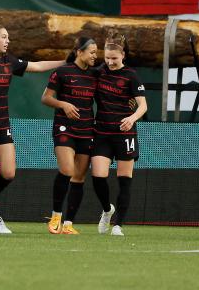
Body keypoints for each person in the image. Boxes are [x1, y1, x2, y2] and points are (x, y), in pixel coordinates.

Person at [0, 25, 64, 234]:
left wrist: (66, 61)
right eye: (4, 37)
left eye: (8, 37)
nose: (7, 40)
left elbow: (37, 67)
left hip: (2, 123)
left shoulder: (8, 61)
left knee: (9, 173)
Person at [41, 36, 97, 235]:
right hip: (64, 127)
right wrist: (63, 105)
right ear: (79, 52)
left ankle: (68, 224)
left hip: (87, 130)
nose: (94, 56)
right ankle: (56, 215)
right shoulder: (62, 72)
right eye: (91, 52)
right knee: (67, 169)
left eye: (96, 52)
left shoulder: (95, 75)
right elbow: (45, 98)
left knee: (79, 177)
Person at [92, 36, 147, 237]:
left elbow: (143, 105)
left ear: (123, 55)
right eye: (107, 58)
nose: (110, 62)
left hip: (125, 134)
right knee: (98, 177)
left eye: (114, 58)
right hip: (102, 133)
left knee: (124, 180)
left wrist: (131, 118)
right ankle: (107, 209)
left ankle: (118, 225)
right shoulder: (98, 72)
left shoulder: (131, 76)